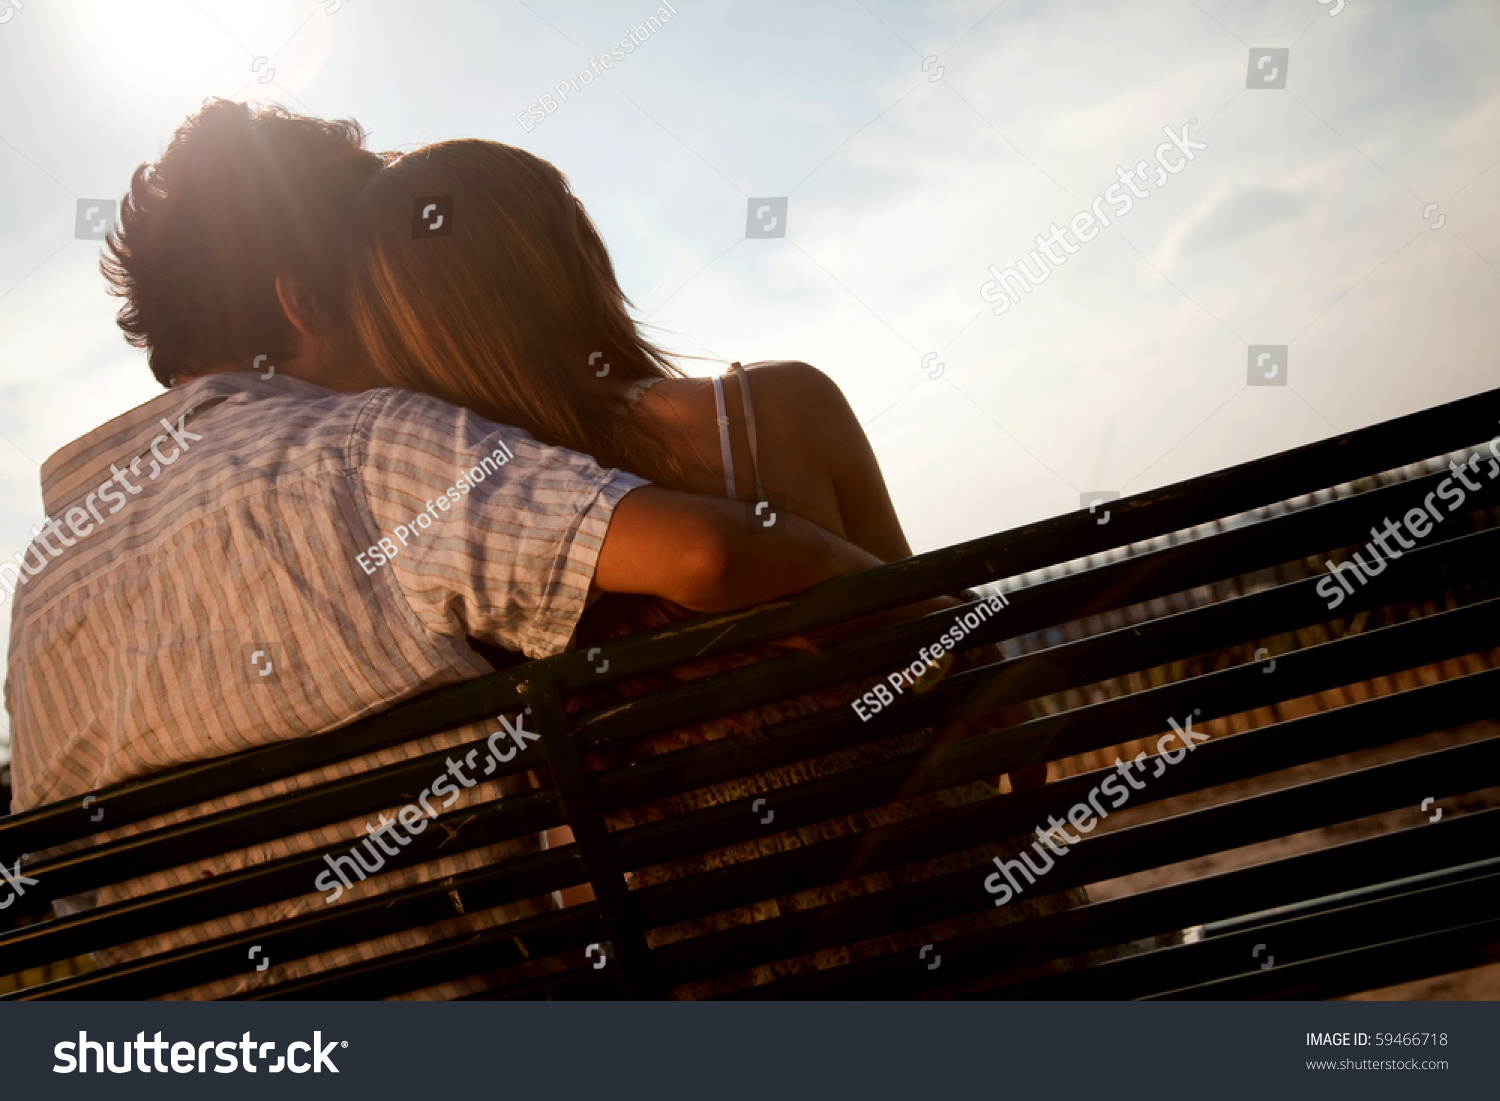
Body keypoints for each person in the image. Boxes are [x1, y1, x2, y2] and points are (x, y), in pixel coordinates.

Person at [2, 100, 892, 999]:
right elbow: (707, 556)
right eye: (376, 284)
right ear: (306, 299)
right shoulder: (358, 448)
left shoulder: (45, 578)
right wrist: (906, 603)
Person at [335, 140, 1060, 995]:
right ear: (572, 255)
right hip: (971, 936)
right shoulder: (781, 411)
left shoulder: (464, 531)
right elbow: (932, 654)